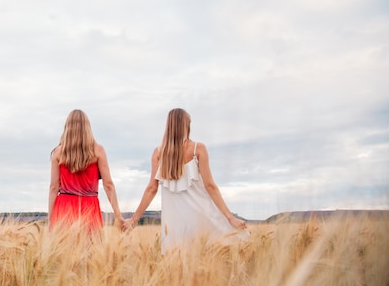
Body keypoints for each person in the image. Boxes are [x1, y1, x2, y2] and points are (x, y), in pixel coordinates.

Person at [124, 108, 248, 252]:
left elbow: (151, 188)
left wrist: (134, 220)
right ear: (187, 125)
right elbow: (210, 186)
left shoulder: (158, 153)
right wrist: (230, 217)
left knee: (178, 265)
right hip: (202, 219)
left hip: (174, 226)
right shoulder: (198, 149)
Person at [49, 109, 124, 233]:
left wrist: (51, 220)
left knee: (65, 251)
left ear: (67, 127)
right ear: (88, 128)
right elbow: (108, 185)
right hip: (89, 208)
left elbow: (53, 187)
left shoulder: (58, 152)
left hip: (63, 208)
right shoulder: (98, 151)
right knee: (91, 250)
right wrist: (118, 215)